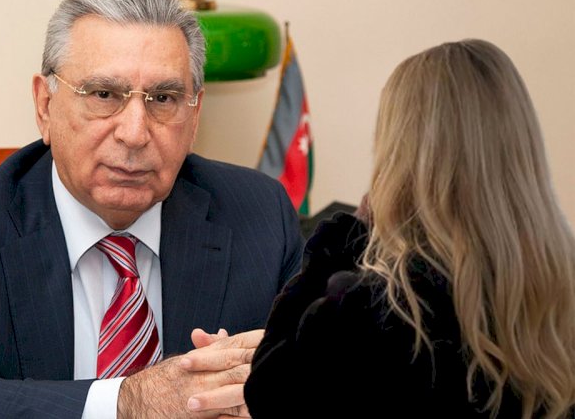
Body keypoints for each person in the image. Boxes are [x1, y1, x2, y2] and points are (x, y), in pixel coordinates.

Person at [0, 0, 304, 417]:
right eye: (104, 94)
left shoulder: (259, 214)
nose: (134, 134)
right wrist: (127, 402)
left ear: (194, 117)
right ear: (45, 106)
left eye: (163, 98)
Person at [242, 39, 575, 418]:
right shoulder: (559, 295)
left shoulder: (376, 311)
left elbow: (268, 392)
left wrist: (341, 242)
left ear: (400, 154)